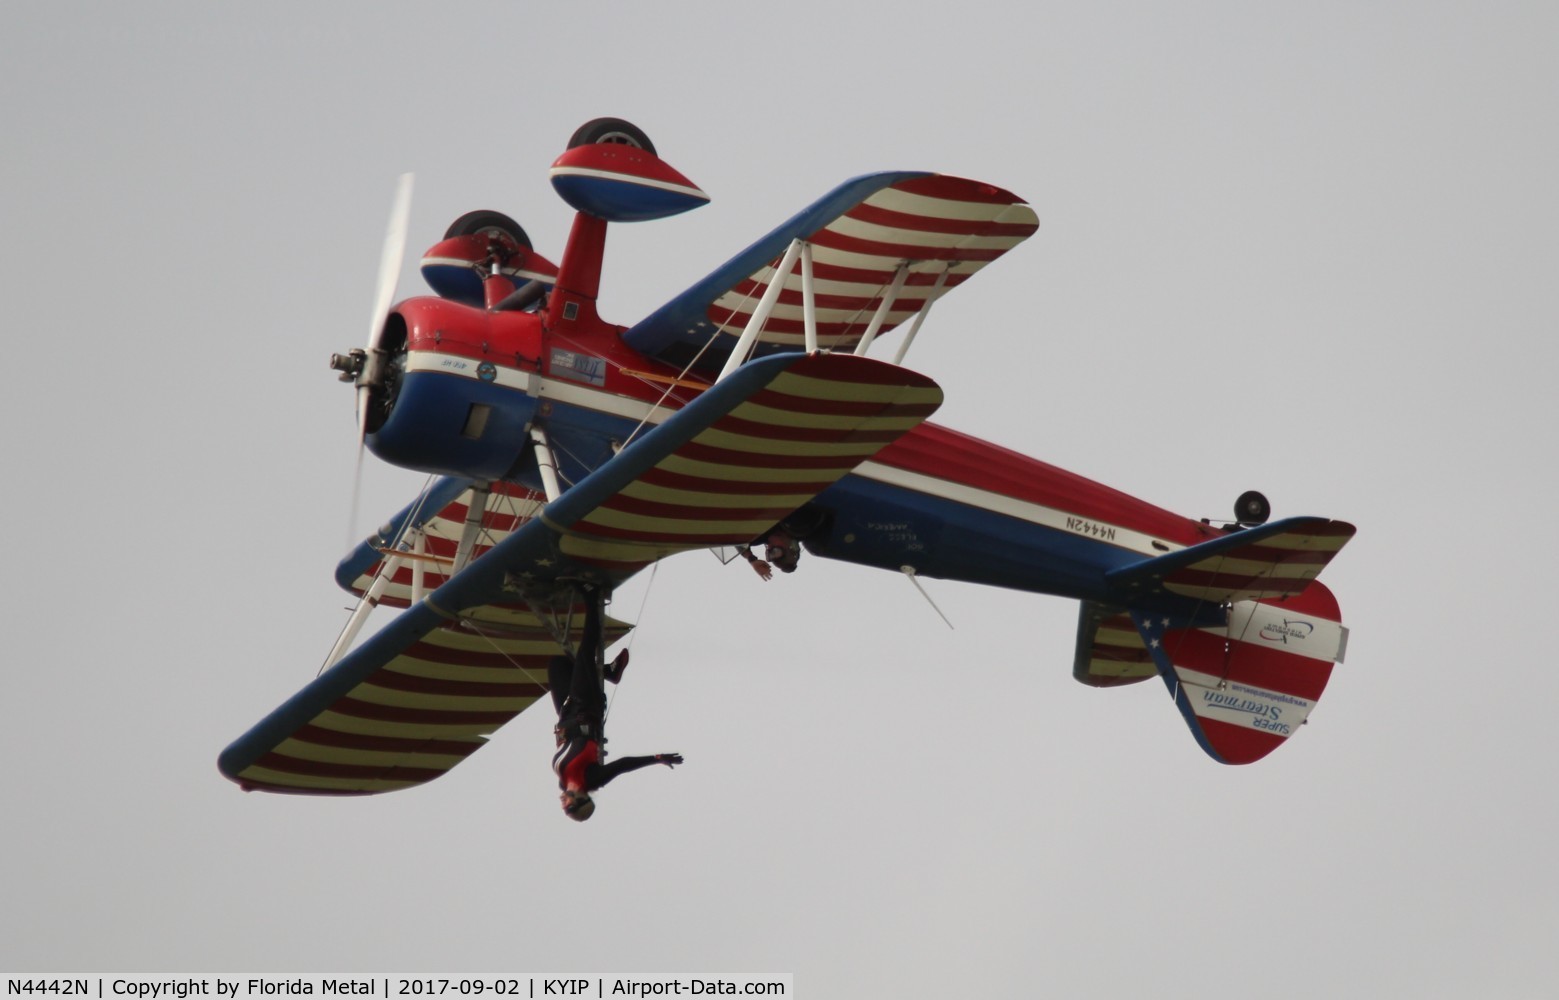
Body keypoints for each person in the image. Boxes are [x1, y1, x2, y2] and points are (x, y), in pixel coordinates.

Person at [549, 585, 682, 821]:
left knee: (557, 665)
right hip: (587, 708)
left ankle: (609, 672)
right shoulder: (592, 780)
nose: (562, 803)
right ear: (580, 801)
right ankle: (591, 595)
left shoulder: (562, 782)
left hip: (566, 713)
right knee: (584, 654)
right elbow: (623, 765)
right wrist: (657, 759)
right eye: (568, 806)